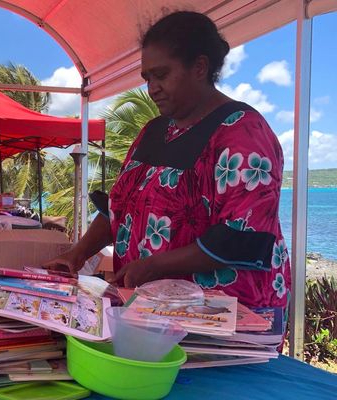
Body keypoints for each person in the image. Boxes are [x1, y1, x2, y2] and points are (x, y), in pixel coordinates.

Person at [47, 11, 290, 312]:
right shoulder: (153, 131)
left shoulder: (244, 131)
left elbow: (242, 236)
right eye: (147, 78)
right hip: (154, 310)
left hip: (226, 318)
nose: (152, 89)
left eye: (161, 75)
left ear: (200, 67)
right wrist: (77, 254)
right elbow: (117, 209)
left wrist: (155, 265)